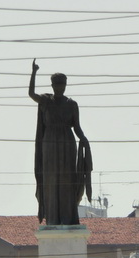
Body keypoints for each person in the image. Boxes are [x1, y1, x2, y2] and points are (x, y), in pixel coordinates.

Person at [29, 59, 91, 226]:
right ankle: (53, 217)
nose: (60, 86)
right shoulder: (46, 101)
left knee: (66, 179)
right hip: (49, 143)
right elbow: (31, 95)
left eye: (62, 84)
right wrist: (34, 73)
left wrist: (83, 138)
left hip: (67, 143)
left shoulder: (72, 104)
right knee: (50, 180)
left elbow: (76, 127)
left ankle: (66, 217)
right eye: (57, 84)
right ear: (52, 85)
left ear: (65, 85)